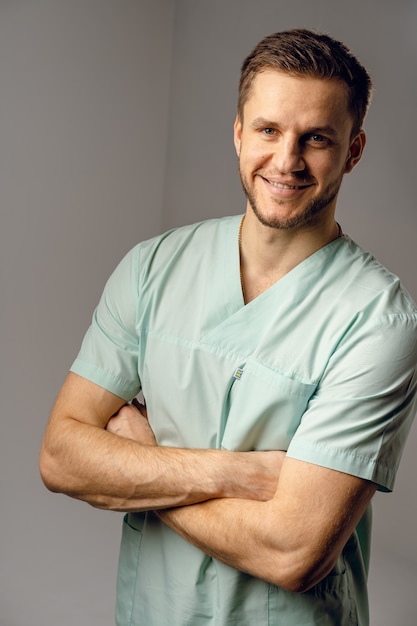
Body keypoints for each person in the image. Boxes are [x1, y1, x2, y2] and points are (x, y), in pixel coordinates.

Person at [40, 28, 417, 626]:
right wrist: (235, 473)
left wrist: (140, 465)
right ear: (239, 133)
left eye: (316, 138)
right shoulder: (153, 268)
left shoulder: (379, 320)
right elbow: (62, 456)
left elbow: (294, 551)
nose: (287, 160)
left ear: (354, 150)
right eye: (268, 130)